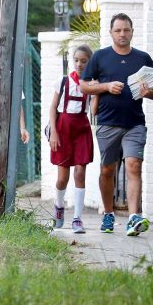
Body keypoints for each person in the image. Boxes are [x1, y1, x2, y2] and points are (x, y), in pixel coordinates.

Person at [80, 13, 153, 236]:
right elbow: (84, 86)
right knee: (108, 170)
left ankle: (134, 217)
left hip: (135, 123)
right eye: (118, 30)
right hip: (107, 124)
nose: (122, 34)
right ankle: (108, 213)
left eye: (126, 30)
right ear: (111, 32)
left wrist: (150, 92)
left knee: (134, 165)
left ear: (132, 31)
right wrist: (105, 87)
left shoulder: (143, 58)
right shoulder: (100, 57)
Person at [48, 45, 94, 234]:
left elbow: (94, 110)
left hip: (82, 128)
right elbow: (53, 108)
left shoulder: (92, 84)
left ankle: (77, 219)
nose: (79, 64)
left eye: (84, 61)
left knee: (80, 173)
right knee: (62, 178)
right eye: (76, 60)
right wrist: (54, 132)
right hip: (63, 128)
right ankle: (59, 207)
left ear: (90, 62)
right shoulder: (63, 81)